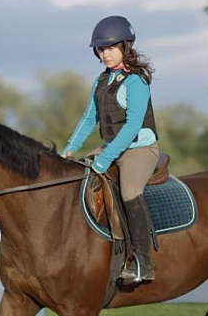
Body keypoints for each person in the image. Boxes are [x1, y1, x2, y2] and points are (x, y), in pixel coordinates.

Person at [62, 15, 160, 284]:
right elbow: (89, 117)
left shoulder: (136, 81)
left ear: (125, 47)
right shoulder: (101, 81)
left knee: (129, 191)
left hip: (139, 149)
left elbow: (132, 127)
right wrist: (69, 150)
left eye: (109, 48)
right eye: (100, 49)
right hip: (111, 147)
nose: (104, 54)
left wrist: (105, 158)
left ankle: (143, 263)